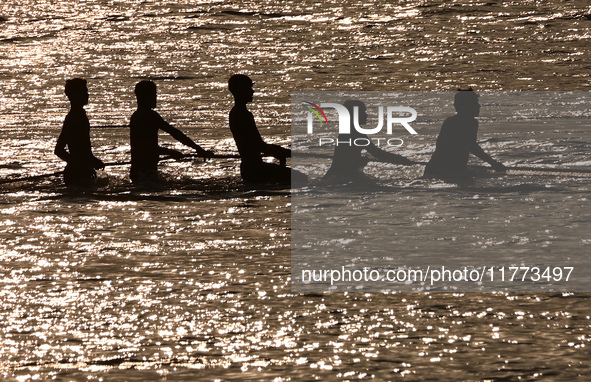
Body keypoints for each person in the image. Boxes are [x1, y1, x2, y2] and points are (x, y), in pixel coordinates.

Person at [228, 74, 307, 185]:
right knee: (302, 178)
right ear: (241, 91)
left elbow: (256, 145)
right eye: (249, 88)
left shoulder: (233, 113)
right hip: (256, 169)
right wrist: (283, 152)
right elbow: (260, 145)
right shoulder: (244, 115)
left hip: (247, 168)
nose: (252, 91)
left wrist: (280, 151)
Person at [129, 80, 213, 184]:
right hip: (144, 173)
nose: (156, 98)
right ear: (145, 97)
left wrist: (198, 149)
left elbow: (174, 133)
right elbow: (148, 147)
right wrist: (172, 152)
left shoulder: (137, 116)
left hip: (140, 172)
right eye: (153, 95)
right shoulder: (149, 116)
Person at [323, 100, 414, 184]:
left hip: (338, 176)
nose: (366, 115)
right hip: (345, 178)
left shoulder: (346, 131)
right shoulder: (356, 133)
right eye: (363, 112)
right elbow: (377, 153)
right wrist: (401, 160)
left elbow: (346, 159)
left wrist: (360, 161)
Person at [423, 90, 506, 180]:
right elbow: (469, 146)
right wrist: (493, 163)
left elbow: (471, 145)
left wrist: (492, 163)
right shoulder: (453, 122)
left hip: (453, 168)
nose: (479, 106)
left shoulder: (472, 122)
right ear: (465, 106)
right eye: (475, 103)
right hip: (444, 169)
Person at [54, 78, 105, 186]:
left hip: (82, 171)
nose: (87, 95)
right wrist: (80, 165)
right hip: (77, 174)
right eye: (84, 91)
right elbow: (59, 150)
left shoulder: (80, 115)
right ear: (75, 95)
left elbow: (84, 149)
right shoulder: (74, 118)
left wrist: (92, 161)